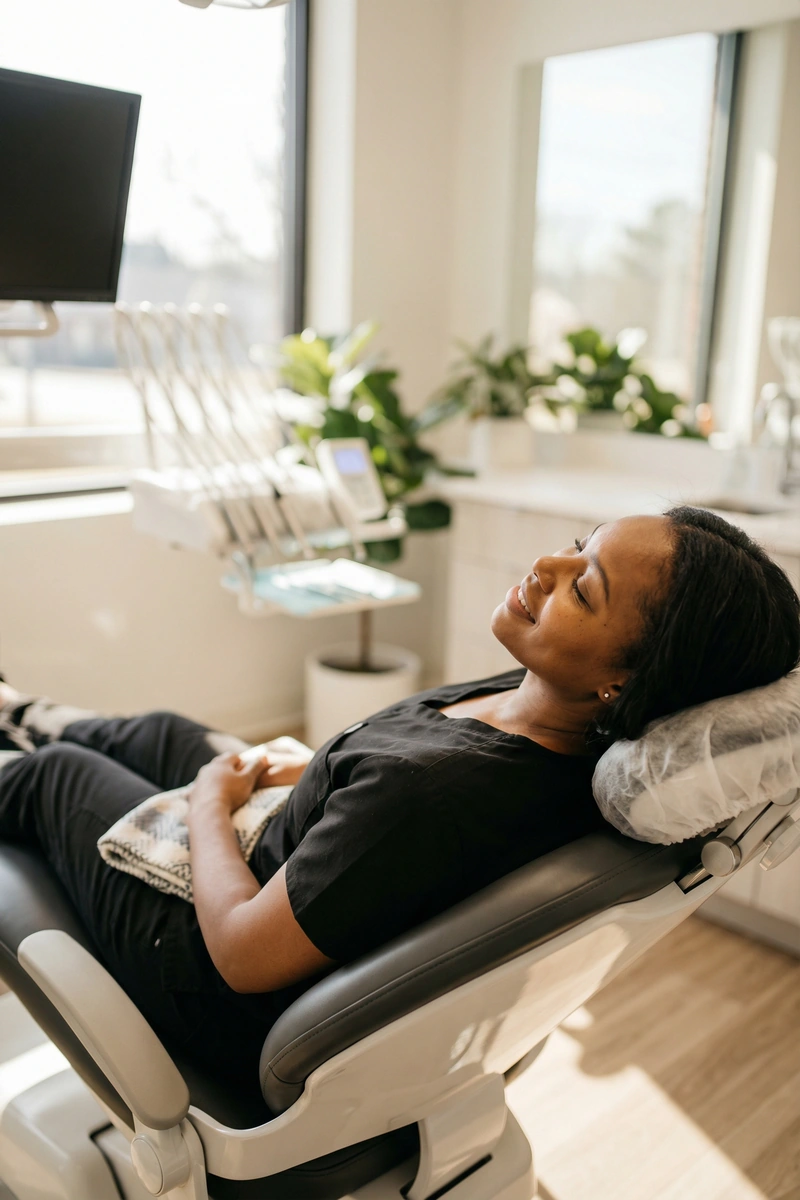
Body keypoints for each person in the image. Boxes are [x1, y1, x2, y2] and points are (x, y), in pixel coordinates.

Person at [1, 506, 798, 1113]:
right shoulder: (545, 725)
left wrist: (212, 805)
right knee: (169, 733)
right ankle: (19, 710)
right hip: (306, 853)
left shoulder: (434, 795)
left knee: (61, 777)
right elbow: (389, 785)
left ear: (625, 681)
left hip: (215, 981)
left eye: (583, 588)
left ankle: (23, 749)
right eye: (581, 543)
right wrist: (315, 769)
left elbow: (243, 957)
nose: (550, 563)